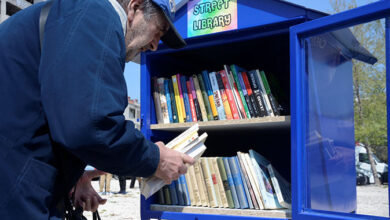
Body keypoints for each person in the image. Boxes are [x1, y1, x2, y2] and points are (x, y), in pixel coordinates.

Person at [0, 0, 193, 218]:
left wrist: (74, 178)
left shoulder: (76, 13)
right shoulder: (97, 12)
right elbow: (89, 125)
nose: (155, 46)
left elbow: (55, 112)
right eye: (158, 31)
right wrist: (156, 159)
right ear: (135, 7)